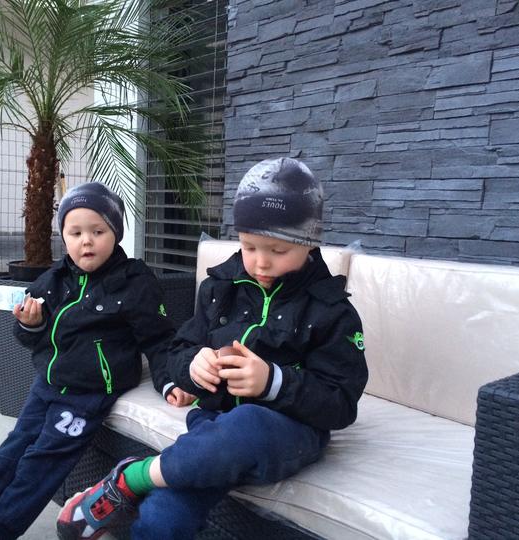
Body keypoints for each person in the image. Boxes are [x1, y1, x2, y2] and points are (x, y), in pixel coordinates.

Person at [56, 158, 369, 539]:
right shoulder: (220, 288)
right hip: (213, 426)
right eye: (249, 246)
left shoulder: (331, 310)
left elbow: (341, 403)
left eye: (278, 250)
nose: (261, 262)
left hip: (288, 432)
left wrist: (273, 382)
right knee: (162, 519)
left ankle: (132, 478)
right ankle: (142, 491)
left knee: (249, 422)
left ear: (309, 242)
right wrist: (193, 366)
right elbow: (178, 350)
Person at [0, 182, 194, 539]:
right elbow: (31, 338)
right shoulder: (54, 279)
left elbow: (159, 338)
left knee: (42, 463)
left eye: (97, 231)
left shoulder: (134, 282)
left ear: (115, 233)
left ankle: (0, 531)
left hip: (88, 394)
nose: (86, 241)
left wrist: (169, 382)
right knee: (13, 449)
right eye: (75, 233)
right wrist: (31, 324)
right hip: (48, 383)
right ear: (64, 237)